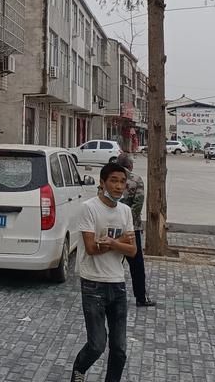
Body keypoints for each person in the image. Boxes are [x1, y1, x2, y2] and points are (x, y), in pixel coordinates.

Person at [71, 161, 139, 382]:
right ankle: (79, 370)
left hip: (117, 283)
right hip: (93, 284)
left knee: (119, 349)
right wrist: (120, 241)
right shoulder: (89, 208)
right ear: (102, 183)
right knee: (97, 345)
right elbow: (91, 248)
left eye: (122, 182)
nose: (119, 186)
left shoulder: (125, 211)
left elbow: (133, 251)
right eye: (113, 181)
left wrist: (113, 242)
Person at [116, 154, 155, 307]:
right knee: (136, 265)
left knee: (112, 261)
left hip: (111, 226)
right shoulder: (136, 180)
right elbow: (138, 204)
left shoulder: (109, 177)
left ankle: (112, 293)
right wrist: (127, 223)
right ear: (130, 166)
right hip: (132, 228)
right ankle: (140, 297)